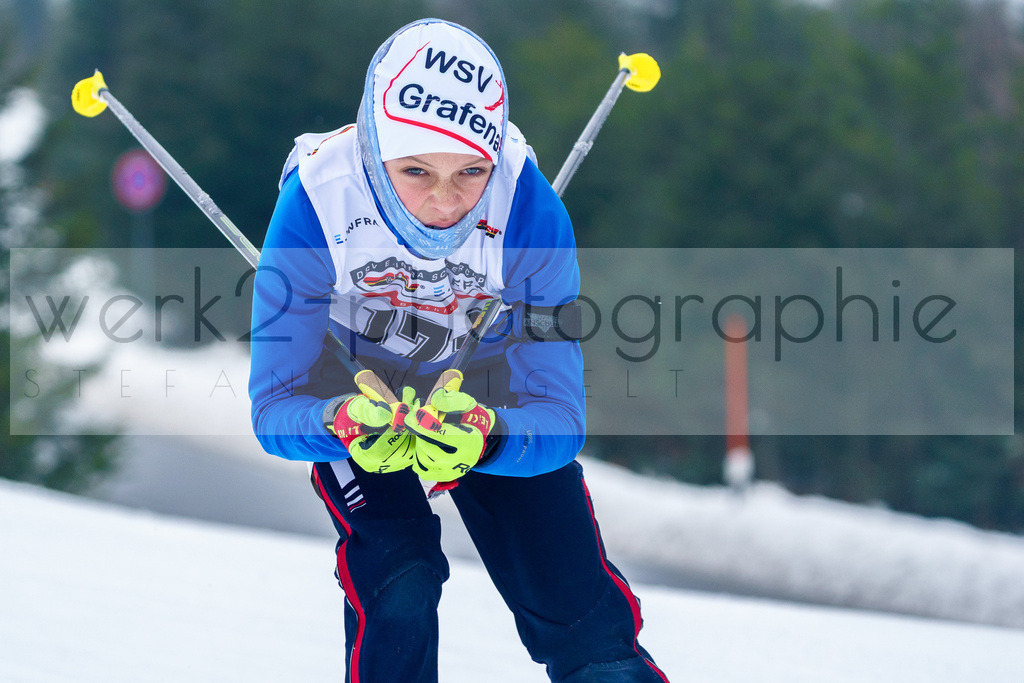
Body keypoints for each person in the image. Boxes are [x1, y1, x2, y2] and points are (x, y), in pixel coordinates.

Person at [248, 18, 667, 683]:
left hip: (487, 386)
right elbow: (274, 406)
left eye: (471, 171)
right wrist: (339, 422)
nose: (444, 201)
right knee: (401, 576)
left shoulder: (529, 211)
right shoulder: (317, 201)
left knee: (583, 618)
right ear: (374, 151)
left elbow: (560, 417)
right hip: (354, 387)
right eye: (416, 170)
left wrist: (491, 438)